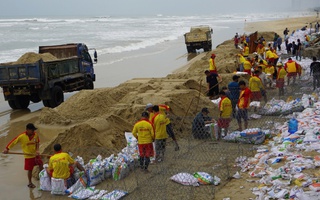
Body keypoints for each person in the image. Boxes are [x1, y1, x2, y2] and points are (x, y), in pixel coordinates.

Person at [3, 123, 43, 188]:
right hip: (28, 156)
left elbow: (37, 142)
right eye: (32, 130)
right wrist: (7, 148)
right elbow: (14, 142)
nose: (33, 131)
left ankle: (43, 179)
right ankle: (30, 183)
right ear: (27, 130)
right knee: (30, 170)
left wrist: (37, 150)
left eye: (34, 130)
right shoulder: (22, 136)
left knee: (41, 164)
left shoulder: (35, 135)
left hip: (35, 154)